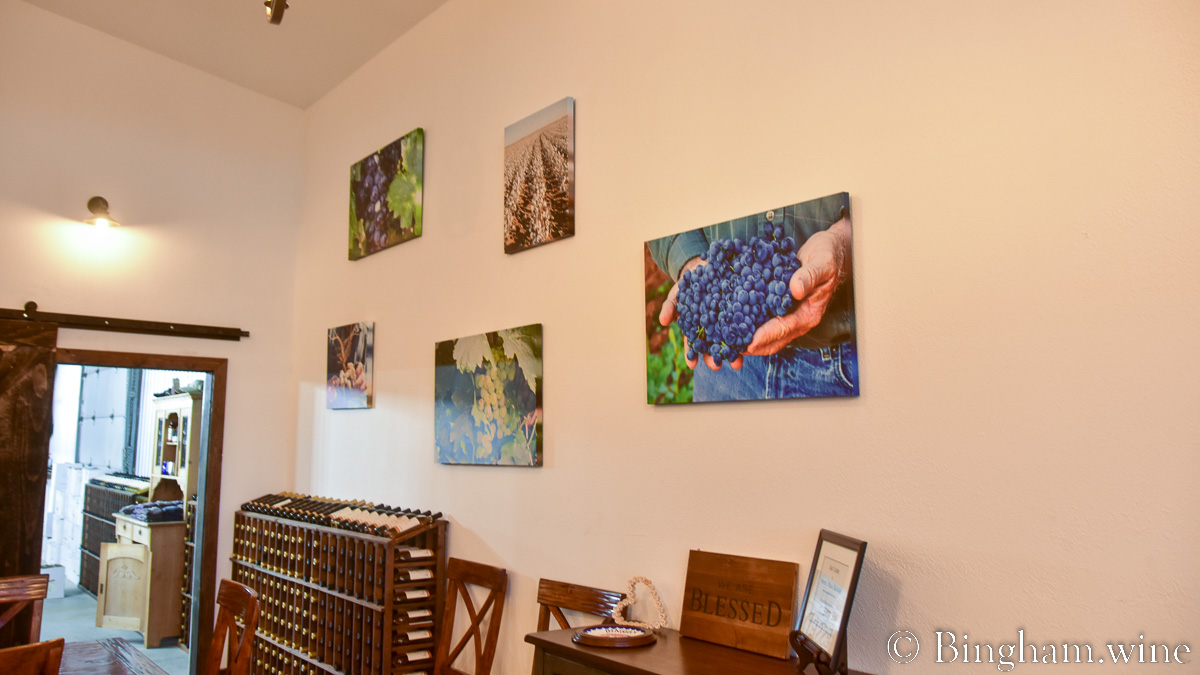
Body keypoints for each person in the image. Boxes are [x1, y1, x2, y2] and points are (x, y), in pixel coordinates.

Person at [648, 192, 858, 401]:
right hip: (725, 366)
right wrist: (687, 259)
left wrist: (842, 241)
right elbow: (658, 193)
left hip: (838, 364)